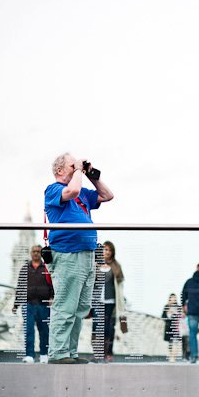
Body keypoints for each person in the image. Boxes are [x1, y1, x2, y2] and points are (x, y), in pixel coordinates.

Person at [44, 153, 114, 364]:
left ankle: (70, 353)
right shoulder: (53, 190)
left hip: (87, 254)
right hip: (67, 254)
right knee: (65, 305)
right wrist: (77, 171)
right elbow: (72, 190)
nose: (77, 168)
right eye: (71, 165)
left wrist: (91, 175)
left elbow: (107, 195)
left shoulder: (83, 193)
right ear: (59, 170)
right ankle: (58, 353)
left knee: (81, 307)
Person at [12, 245, 54, 363]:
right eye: (34, 251)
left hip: (43, 304)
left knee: (44, 330)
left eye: (38, 252)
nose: (36, 253)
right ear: (31, 253)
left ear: (41, 253)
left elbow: (52, 284)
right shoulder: (25, 268)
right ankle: (29, 355)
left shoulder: (46, 268)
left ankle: (44, 355)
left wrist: (52, 297)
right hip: (28, 304)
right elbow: (20, 286)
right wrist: (16, 304)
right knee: (29, 330)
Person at [92, 240, 125, 362]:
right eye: (104, 249)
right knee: (96, 326)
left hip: (111, 301)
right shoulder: (95, 264)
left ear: (112, 252)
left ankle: (108, 352)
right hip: (97, 301)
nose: (106, 252)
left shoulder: (116, 266)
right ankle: (97, 353)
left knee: (109, 328)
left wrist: (121, 303)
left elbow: (120, 285)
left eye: (108, 250)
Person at [161, 293, 182, 362]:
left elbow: (181, 316)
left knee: (175, 342)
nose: (173, 299)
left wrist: (175, 313)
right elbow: (163, 317)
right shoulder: (166, 306)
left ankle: (173, 357)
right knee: (170, 343)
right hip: (168, 326)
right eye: (172, 298)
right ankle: (171, 356)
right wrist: (168, 313)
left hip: (176, 326)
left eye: (174, 298)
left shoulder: (178, 307)